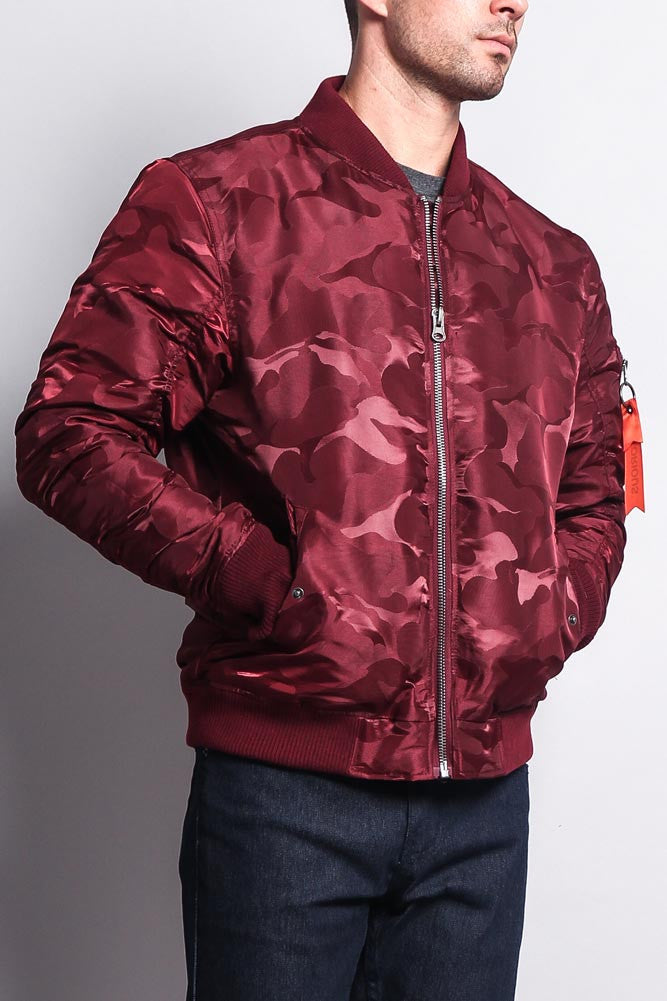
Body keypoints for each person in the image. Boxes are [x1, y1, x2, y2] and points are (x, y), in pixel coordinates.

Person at [14, 0, 627, 998]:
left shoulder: (552, 264)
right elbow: (70, 429)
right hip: (285, 801)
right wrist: (269, 581)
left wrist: (546, 614)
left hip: (482, 810)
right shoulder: (218, 203)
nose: (514, 0)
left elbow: (595, 491)